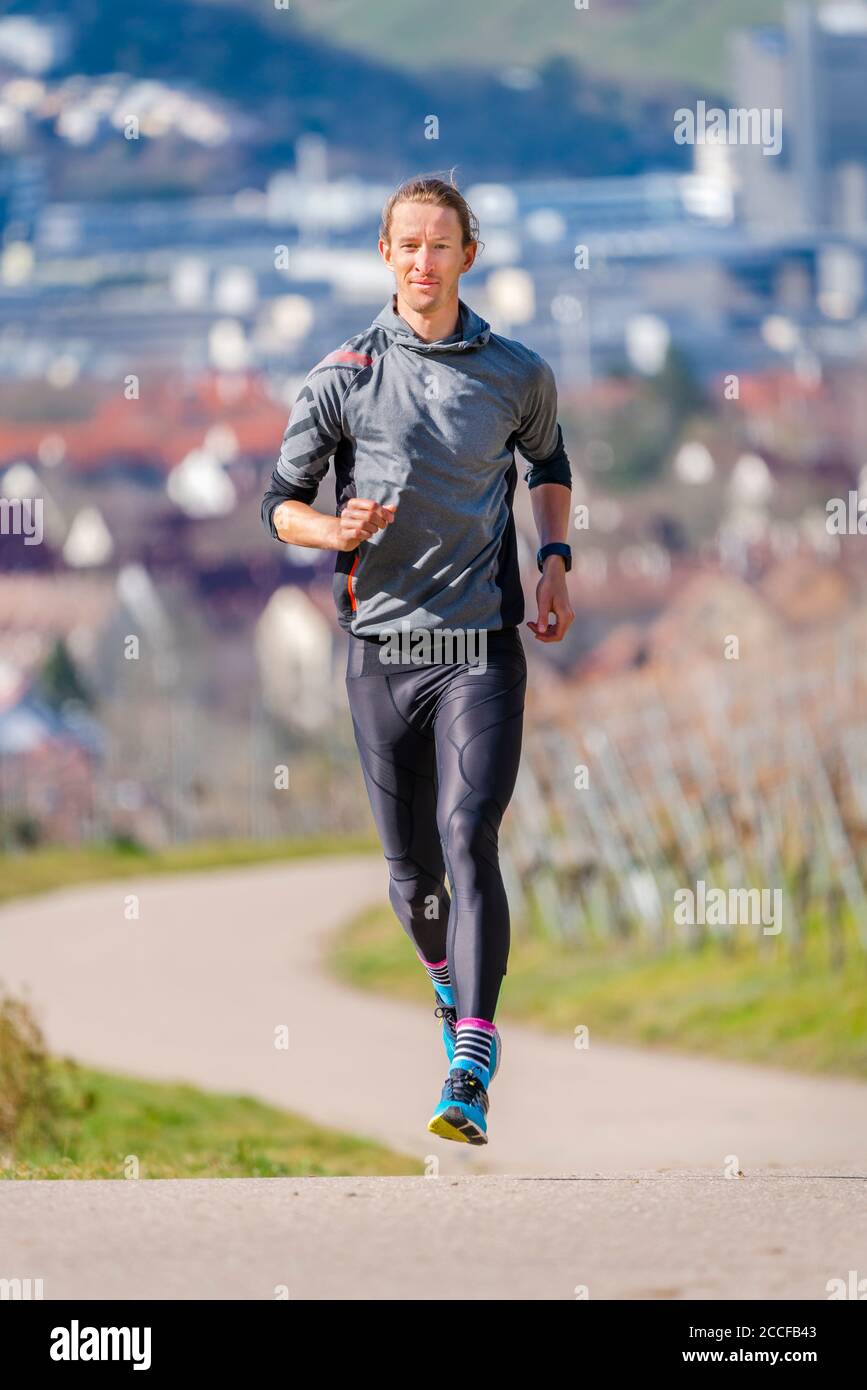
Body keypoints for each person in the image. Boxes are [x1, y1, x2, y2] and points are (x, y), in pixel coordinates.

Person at [261, 172, 574, 1144]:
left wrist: (556, 558)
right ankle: (450, 989)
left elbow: (551, 463)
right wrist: (331, 527)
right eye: (408, 245)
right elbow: (277, 503)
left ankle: (472, 1060)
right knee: (412, 876)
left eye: (442, 245)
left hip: (478, 644)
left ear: (467, 256)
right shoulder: (342, 377)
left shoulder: (517, 372)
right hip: (378, 650)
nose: (424, 261)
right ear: (386, 257)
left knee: (468, 829)